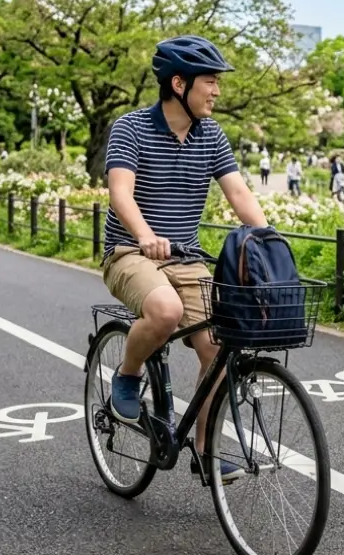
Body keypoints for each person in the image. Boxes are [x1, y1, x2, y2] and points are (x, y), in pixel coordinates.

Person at [101, 35, 268, 483]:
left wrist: (269, 241)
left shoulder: (211, 134)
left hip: (186, 259)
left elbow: (238, 193)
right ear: (179, 83)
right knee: (166, 311)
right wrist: (145, 235)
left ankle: (205, 450)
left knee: (219, 348)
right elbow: (121, 192)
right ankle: (128, 375)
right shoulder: (130, 128)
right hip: (129, 253)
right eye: (210, 81)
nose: (216, 91)